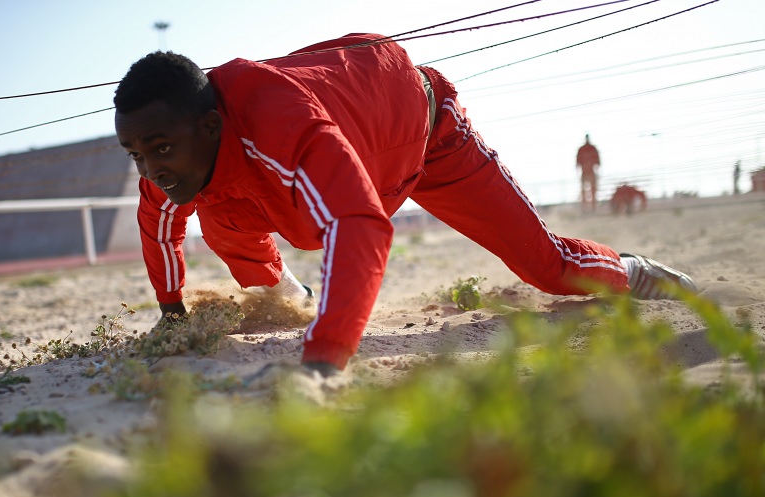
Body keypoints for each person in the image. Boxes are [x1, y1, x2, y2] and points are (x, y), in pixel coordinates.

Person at [113, 33, 696, 376]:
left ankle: (634, 272)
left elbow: (358, 225)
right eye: (136, 154)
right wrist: (172, 312)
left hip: (429, 139)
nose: (150, 168)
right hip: (355, 153)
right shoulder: (168, 162)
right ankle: (290, 297)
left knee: (550, 268)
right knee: (220, 218)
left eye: (159, 150)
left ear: (211, 125)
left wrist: (324, 359)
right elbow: (158, 229)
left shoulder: (280, 125)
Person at [576, 134, 600, 211]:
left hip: (590, 172)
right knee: (584, 191)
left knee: (593, 190)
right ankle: (585, 207)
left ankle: (593, 207)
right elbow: (578, 162)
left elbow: (597, 162)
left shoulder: (592, 148)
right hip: (585, 172)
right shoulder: (583, 149)